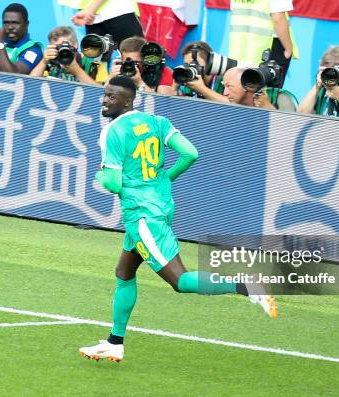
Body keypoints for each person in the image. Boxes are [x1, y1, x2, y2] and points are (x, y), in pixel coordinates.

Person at [78, 75, 278, 362]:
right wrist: (164, 179)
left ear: (128, 100)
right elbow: (190, 153)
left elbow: (112, 182)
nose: (105, 100)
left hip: (143, 215)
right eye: (105, 94)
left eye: (111, 96)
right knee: (124, 273)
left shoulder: (112, 132)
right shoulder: (157, 122)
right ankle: (115, 341)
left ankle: (245, 285)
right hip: (157, 206)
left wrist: (100, 174)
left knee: (180, 281)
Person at [228, 0, 297, 88]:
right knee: (267, 95)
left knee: (240, 93)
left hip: (239, 50)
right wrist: (288, 49)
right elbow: (278, 18)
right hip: (268, 51)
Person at [29, 26, 104, 84]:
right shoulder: (50, 63)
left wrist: (77, 71)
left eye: (64, 47)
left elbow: (103, 94)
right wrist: (43, 62)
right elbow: (29, 85)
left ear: (75, 45)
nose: (61, 52)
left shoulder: (94, 63)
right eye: (57, 48)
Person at [63, 0, 143, 48]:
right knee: (95, 67)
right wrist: (87, 12)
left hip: (118, 12)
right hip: (93, 18)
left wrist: (90, 11)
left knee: (136, 60)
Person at [108, 36, 173, 94]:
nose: (132, 66)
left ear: (145, 60)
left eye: (136, 63)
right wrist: (110, 79)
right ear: (121, 59)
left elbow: (162, 104)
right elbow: (101, 99)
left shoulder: (162, 72)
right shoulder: (119, 70)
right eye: (128, 62)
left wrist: (140, 82)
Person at [0, 3, 43, 74]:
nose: (10, 27)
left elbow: (11, 76)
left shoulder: (33, 50)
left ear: (26, 24)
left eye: (15, 23)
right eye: (6, 23)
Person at [223, 68, 297, 111]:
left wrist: (269, 108)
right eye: (224, 86)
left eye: (229, 86)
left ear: (245, 84)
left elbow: (293, 132)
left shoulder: (281, 97)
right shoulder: (232, 108)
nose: (225, 93)